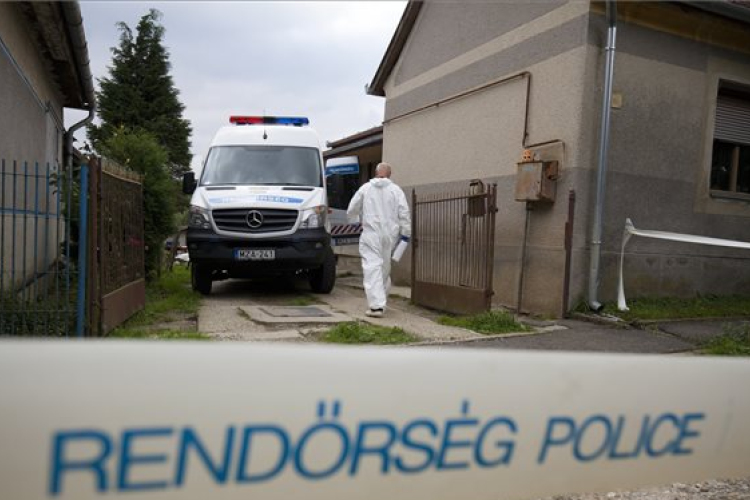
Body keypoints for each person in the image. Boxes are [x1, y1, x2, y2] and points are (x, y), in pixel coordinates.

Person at [347, 162, 411, 317]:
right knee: (384, 268)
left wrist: (355, 222)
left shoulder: (365, 188)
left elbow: (352, 208)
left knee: (372, 267)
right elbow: (404, 213)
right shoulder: (396, 191)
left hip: (371, 234)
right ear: (389, 174)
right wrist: (405, 234)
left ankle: (376, 306)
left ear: (376, 173)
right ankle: (381, 301)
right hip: (390, 236)